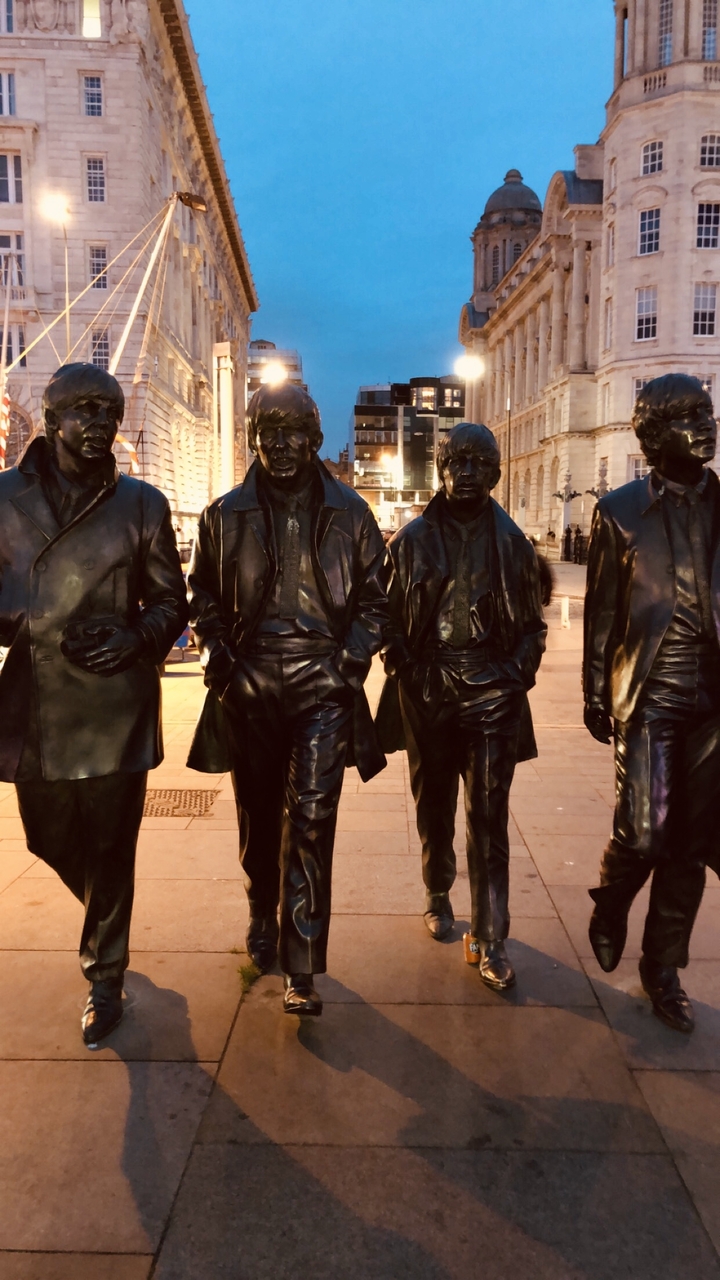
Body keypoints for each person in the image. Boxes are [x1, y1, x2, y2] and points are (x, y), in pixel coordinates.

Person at [0, 363, 188, 1045]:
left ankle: (104, 975)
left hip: (114, 701)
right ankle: (105, 919)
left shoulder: (142, 504)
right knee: (44, 835)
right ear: (51, 422)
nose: (102, 424)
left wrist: (137, 636)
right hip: (39, 703)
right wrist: (20, 614)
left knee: (112, 846)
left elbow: (172, 601)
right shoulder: (2, 499)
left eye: (110, 411)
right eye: (86, 411)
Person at [187, 383, 388, 1017]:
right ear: (253, 437)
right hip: (249, 685)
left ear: (315, 438)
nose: (280, 443)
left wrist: (345, 665)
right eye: (268, 430)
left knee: (311, 819)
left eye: (293, 430)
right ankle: (259, 907)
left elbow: (377, 603)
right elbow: (204, 602)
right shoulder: (223, 516)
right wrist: (223, 666)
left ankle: (302, 960)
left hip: (321, 686)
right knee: (258, 816)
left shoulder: (352, 515)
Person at [375, 423, 546, 990]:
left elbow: (531, 629)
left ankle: (492, 935)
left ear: (495, 473)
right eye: (457, 462)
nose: (467, 473)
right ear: (440, 470)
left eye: (478, 463)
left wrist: (514, 674)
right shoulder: (410, 542)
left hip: (492, 694)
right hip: (429, 691)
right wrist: (407, 668)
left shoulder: (514, 544)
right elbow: (386, 620)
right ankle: (437, 886)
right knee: (434, 805)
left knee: (489, 816)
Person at [584, 373, 720, 1033]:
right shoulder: (619, 510)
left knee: (689, 843)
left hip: (713, 698)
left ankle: (661, 967)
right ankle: (610, 901)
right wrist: (592, 691)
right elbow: (603, 614)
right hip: (651, 688)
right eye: (691, 415)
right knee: (644, 830)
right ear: (656, 431)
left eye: (709, 412)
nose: (707, 424)